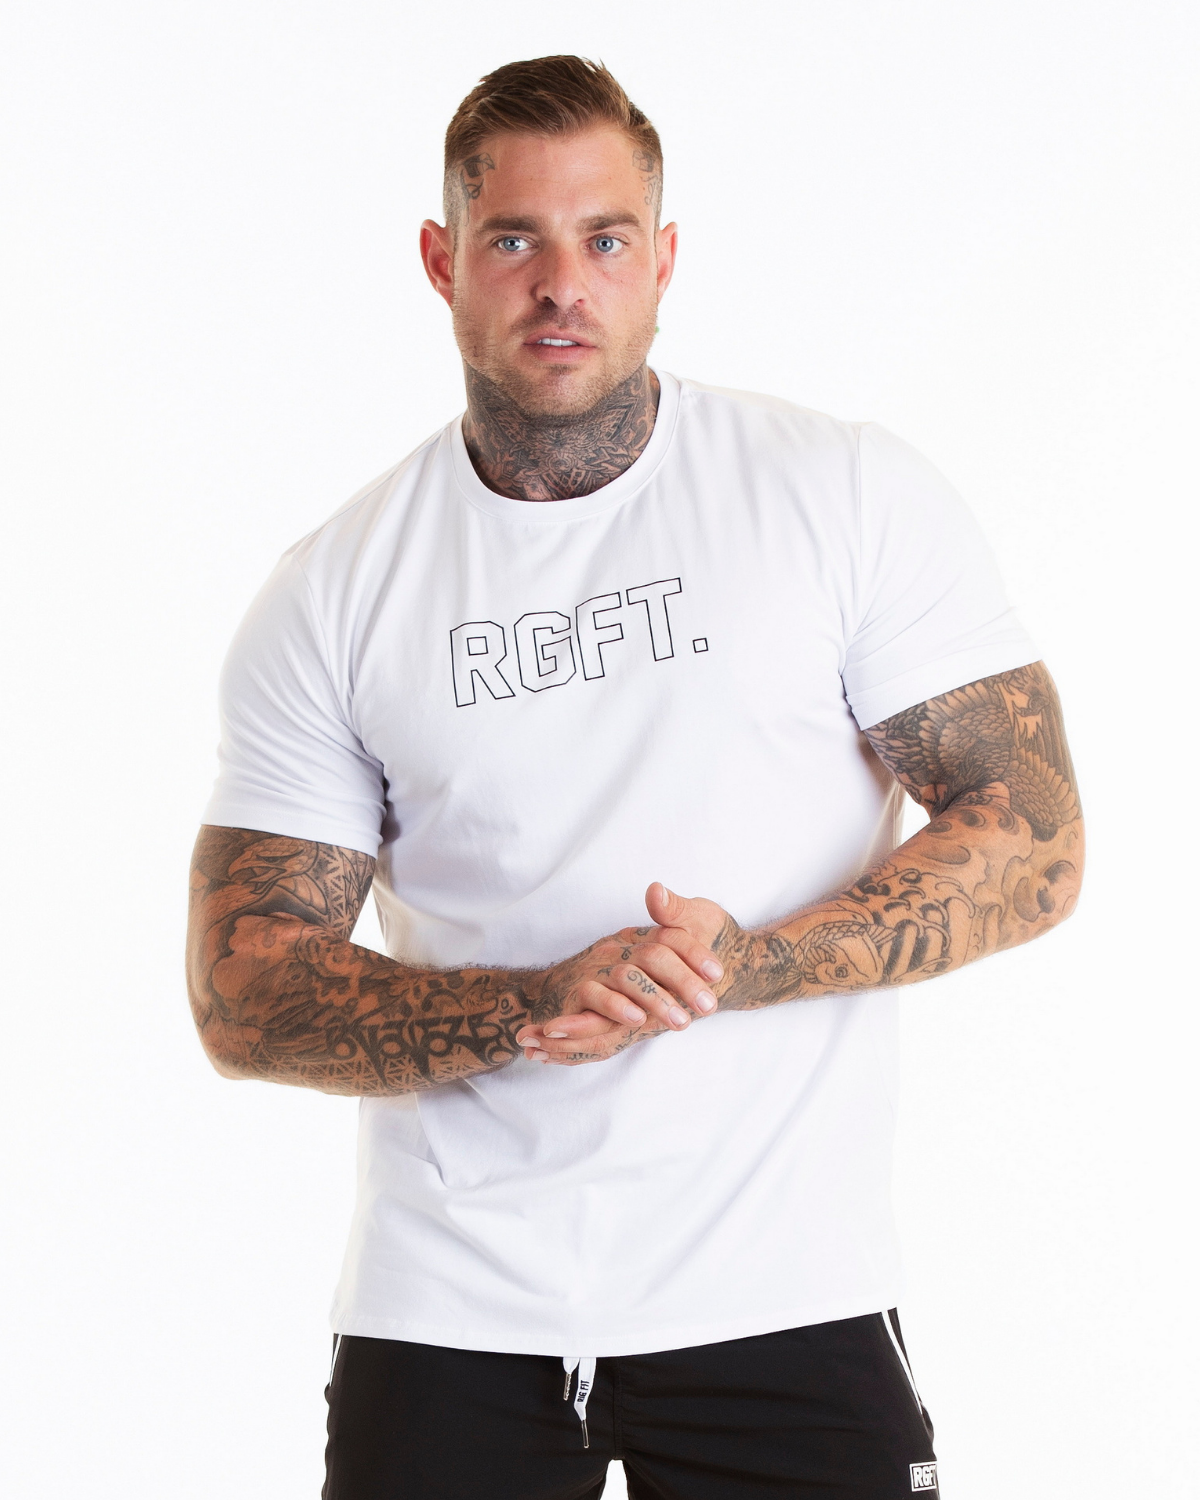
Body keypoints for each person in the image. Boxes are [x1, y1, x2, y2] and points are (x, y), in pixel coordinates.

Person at [186, 54, 1083, 1500]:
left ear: (663, 260)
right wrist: (535, 1003)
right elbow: (244, 986)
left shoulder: (838, 494)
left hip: (782, 1293)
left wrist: (746, 964)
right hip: (449, 1314)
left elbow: (1033, 833)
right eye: (514, 240)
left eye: (605, 239)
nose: (563, 285)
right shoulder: (334, 591)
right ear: (442, 262)